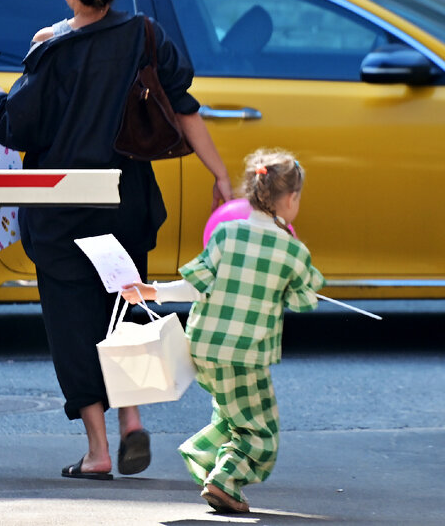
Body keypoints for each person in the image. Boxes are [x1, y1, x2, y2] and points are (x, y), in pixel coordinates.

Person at [0, 0, 232, 482]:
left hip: (61, 213)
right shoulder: (146, 35)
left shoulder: (51, 52)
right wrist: (220, 175)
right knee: (122, 312)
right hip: (125, 203)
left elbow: (16, 127)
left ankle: (99, 449)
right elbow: (185, 107)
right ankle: (131, 420)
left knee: (73, 324)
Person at [124, 148, 324, 514]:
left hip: (204, 347)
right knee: (261, 431)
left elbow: (194, 286)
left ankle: (207, 457)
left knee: (232, 414)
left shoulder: (226, 235)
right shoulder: (293, 252)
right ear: (291, 198)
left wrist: (151, 291)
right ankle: (223, 479)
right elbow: (304, 301)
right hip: (245, 355)